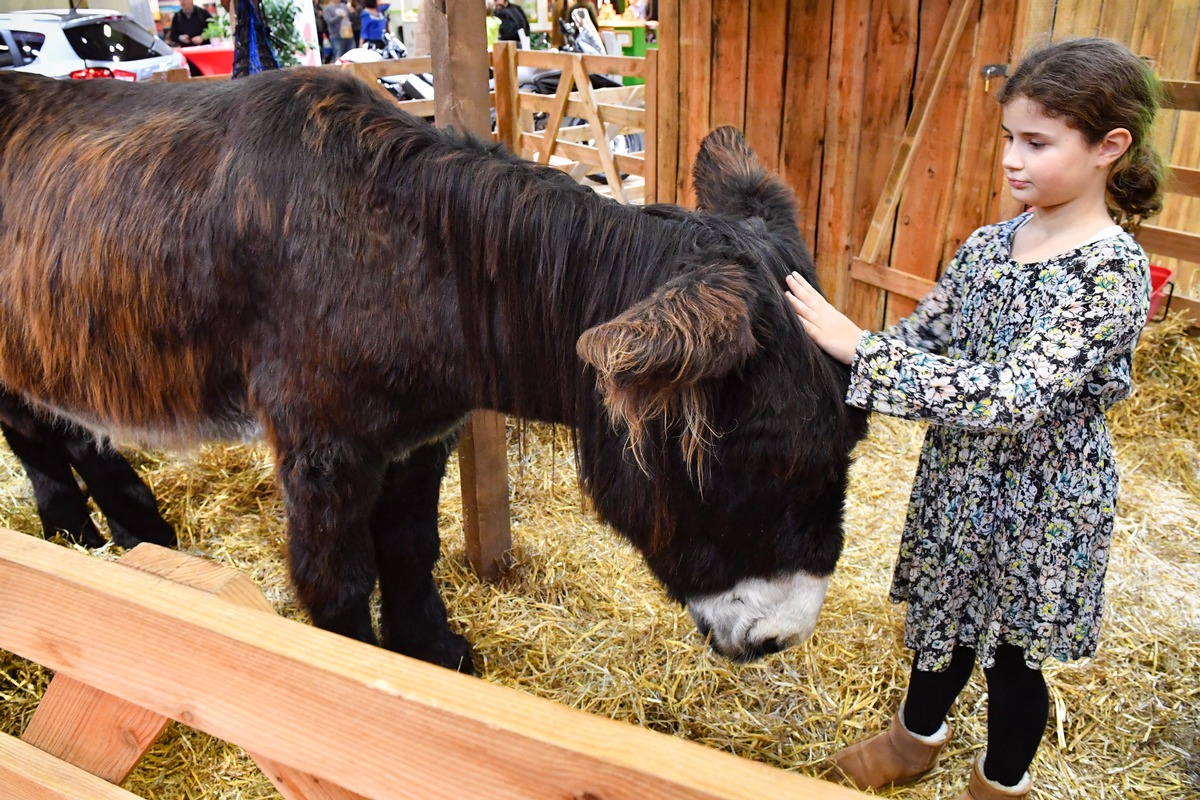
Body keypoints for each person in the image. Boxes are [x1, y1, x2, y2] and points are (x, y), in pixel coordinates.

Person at [784, 37, 1162, 800]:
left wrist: (862, 351)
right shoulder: (991, 246)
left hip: (1047, 499)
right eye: (1008, 140)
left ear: (1108, 148)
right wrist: (819, 360)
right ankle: (914, 739)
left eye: (1037, 143)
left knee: (1014, 657)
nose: (1011, 161)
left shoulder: (1111, 274)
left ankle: (1000, 782)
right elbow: (924, 341)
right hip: (959, 478)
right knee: (938, 621)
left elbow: (1011, 396)